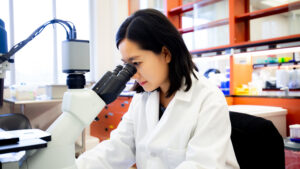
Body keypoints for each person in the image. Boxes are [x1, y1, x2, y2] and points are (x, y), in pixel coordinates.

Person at [76, 8, 240, 169]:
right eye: (127, 65)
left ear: (166, 53)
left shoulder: (208, 98)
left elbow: (200, 165)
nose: (132, 74)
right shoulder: (143, 98)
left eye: (137, 63)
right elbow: (119, 146)